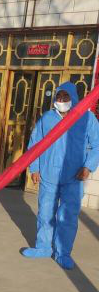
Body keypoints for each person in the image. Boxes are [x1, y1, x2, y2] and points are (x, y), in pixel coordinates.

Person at [21, 81, 99, 269]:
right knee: (45, 213)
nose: (62, 100)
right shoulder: (47, 118)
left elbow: (97, 144)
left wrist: (88, 167)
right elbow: (35, 143)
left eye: (66, 96)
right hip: (48, 175)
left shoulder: (86, 118)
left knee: (68, 216)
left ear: (74, 98)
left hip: (74, 177)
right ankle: (43, 247)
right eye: (59, 96)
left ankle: (63, 253)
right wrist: (34, 168)